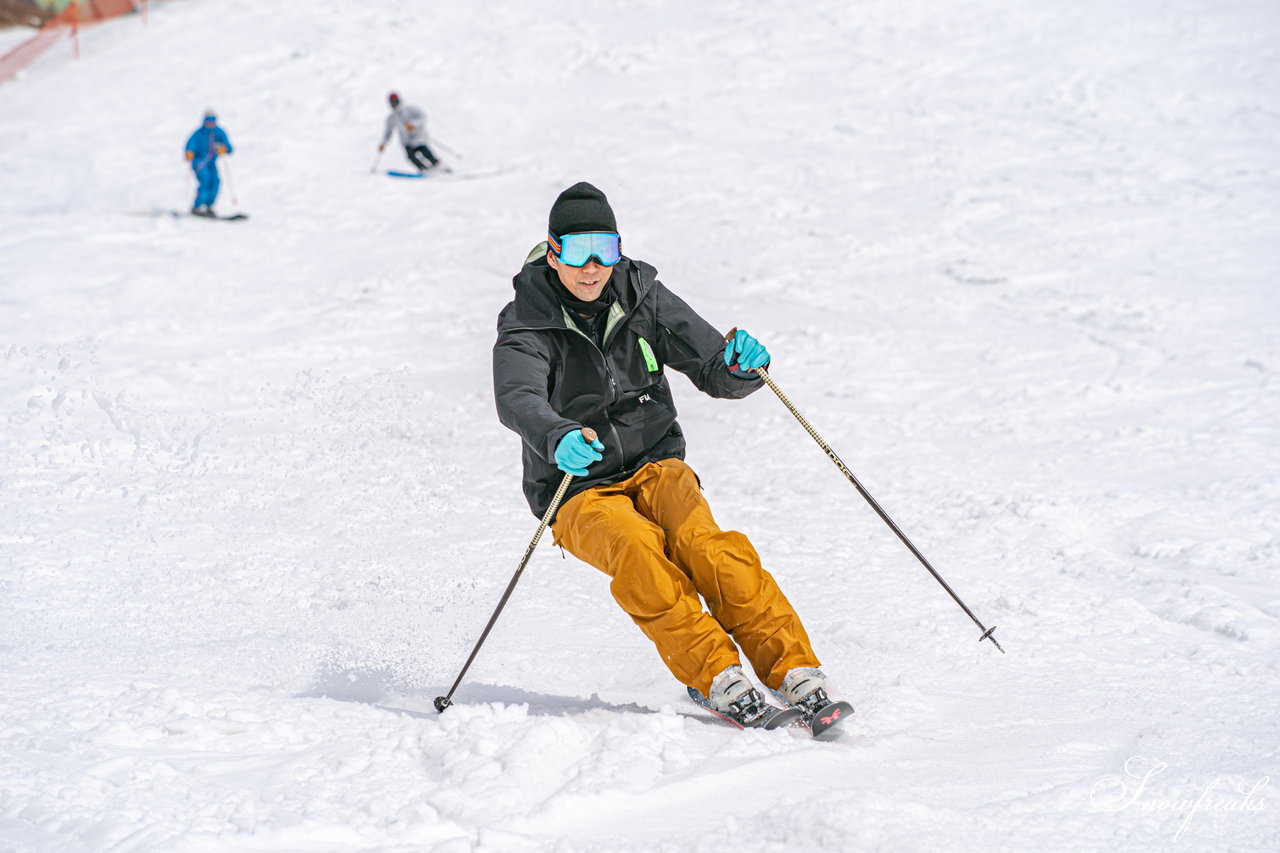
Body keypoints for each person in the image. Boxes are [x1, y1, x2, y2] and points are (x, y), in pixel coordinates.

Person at [493, 182, 847, 731]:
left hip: (656, 462)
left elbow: (710, 365)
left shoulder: (642, 294)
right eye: (579, 251)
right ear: (553, 250)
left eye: (606, 250)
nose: (593, 267)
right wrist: (554, 432)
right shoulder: (525, 319)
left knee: (705, 546)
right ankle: (715, 676)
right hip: (577, 484)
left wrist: (737, 366)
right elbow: (517, 396)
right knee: (638, 550)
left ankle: (793, 667)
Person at [184, 110, 232, 216]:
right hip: (199, 163)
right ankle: (197, 206)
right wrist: (189, 152)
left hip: (211, 163)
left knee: (215, 182)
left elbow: (229, 147)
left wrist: (224, 149)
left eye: (212, 121)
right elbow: (191, 144)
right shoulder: (198, 133)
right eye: (208, 122)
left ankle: (209, 206)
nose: (210, 124)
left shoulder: (219, 132)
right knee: (205, 181)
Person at [379, 92, 440, 172]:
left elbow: (423, 118)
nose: (394, 104)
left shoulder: (411, 109)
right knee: (411, 156)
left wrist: (413, 125)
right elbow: (388, 133)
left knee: (424, 151)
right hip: (406, 141)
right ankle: (424, 169)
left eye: (395, 101)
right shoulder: (391, 117)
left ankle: (438, 166)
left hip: (418, 136)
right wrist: (383, 143)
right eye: (392, 102)